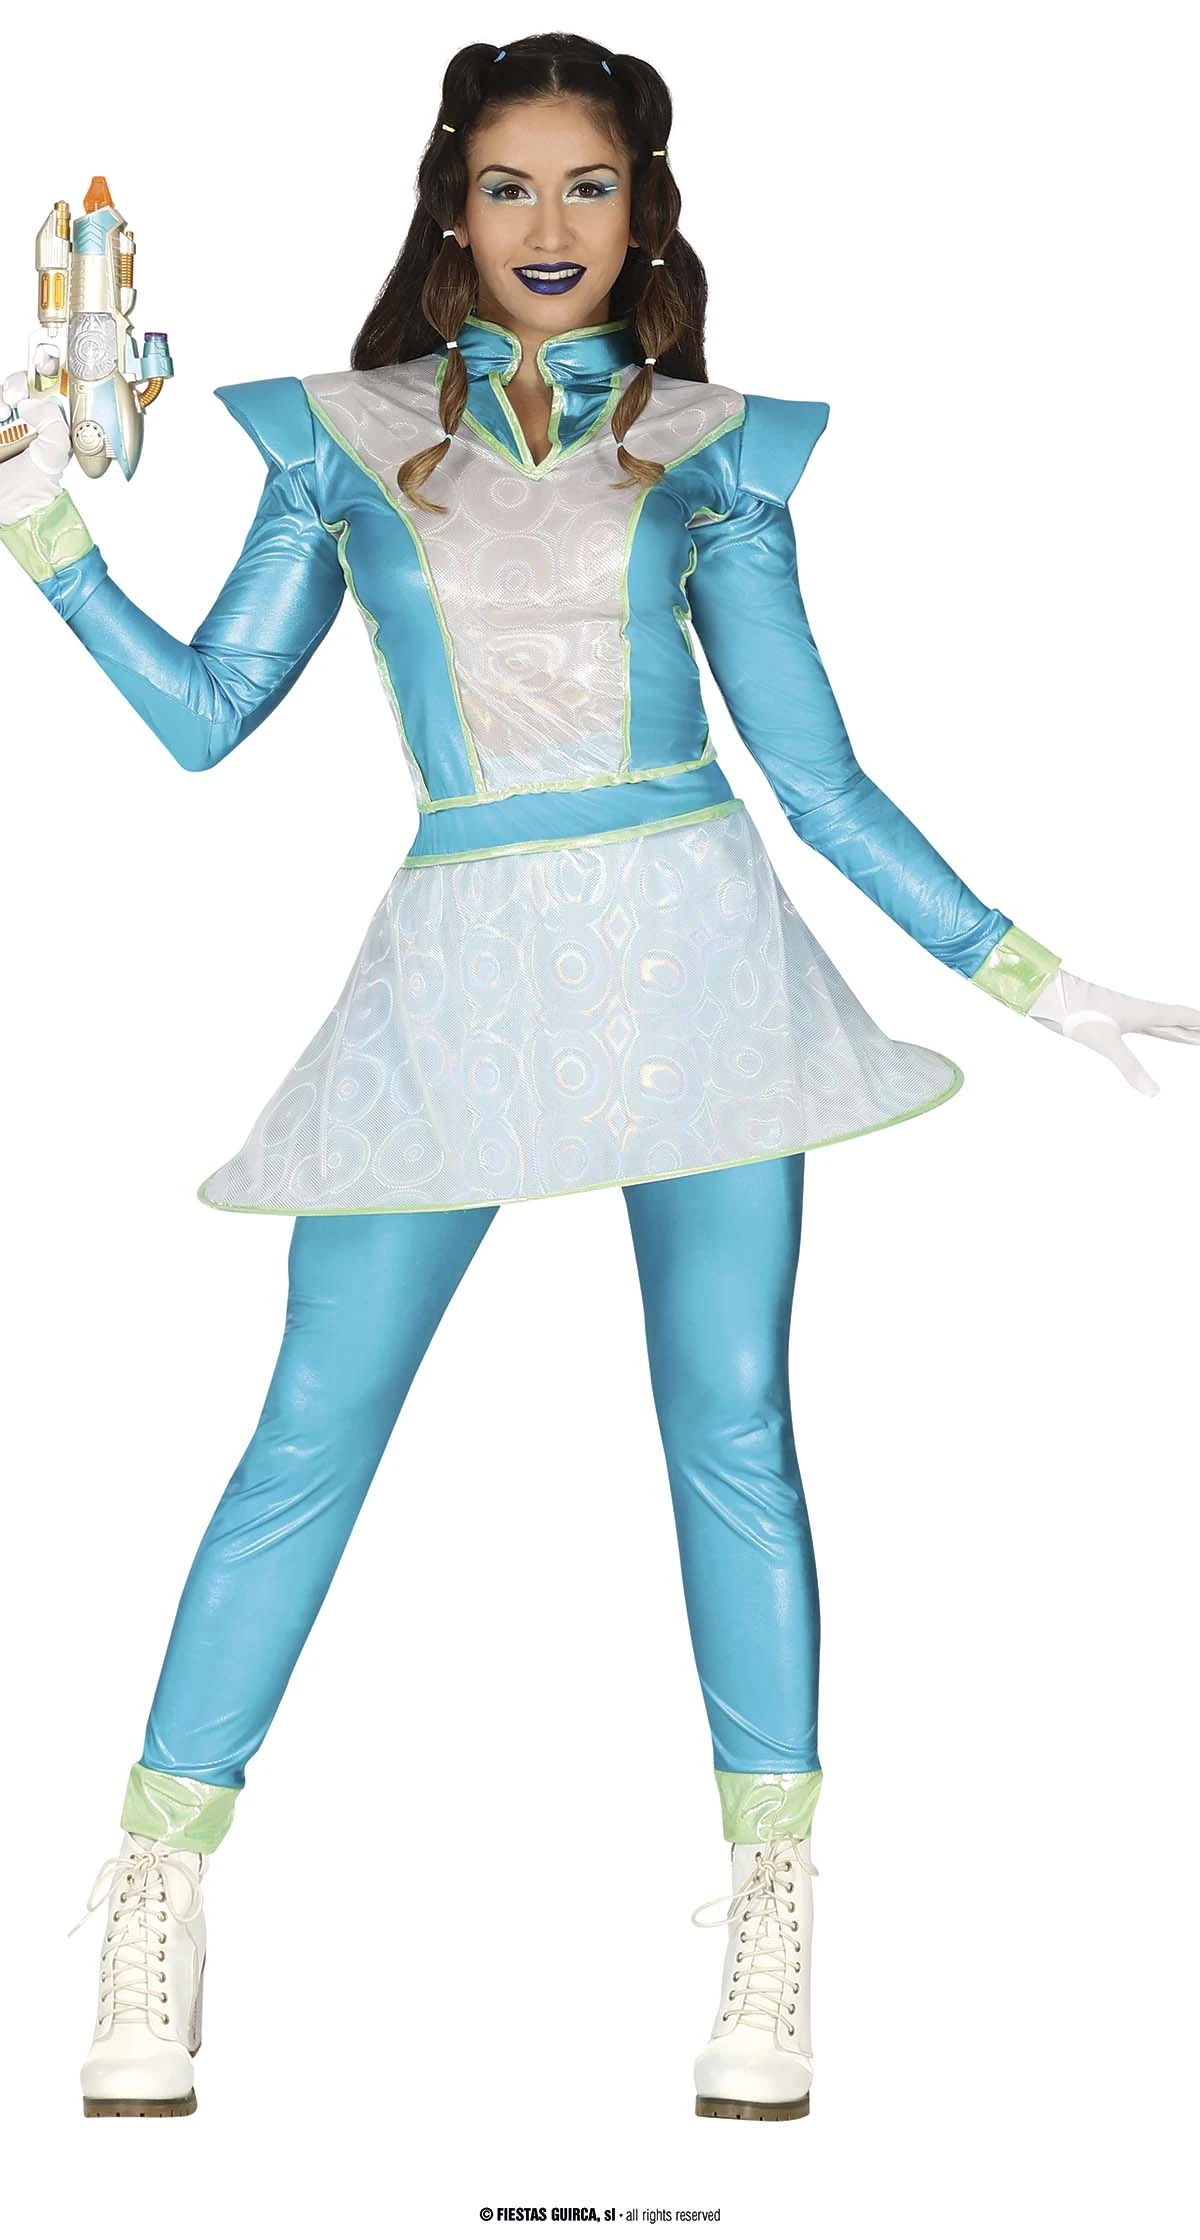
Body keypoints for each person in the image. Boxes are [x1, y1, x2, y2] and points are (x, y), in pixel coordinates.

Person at [4, 33, 1197, 2126]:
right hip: (458, 966)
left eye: (588, 185)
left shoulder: (711, 454)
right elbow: (206, 717)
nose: (548, 225)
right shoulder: (344, 444)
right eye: (509, 186)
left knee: (732, 1424)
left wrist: (1029, 973)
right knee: (310, 1423)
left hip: (699, 960)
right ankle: (159, 1893)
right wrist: (45, 531)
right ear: (451, 211)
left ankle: (770, 1920)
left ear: (644, 213)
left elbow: (816, 776)